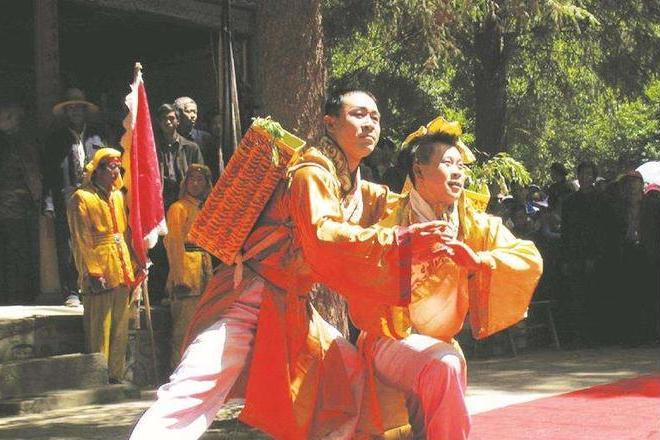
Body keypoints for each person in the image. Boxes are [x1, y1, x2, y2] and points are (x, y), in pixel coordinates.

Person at [129, 89, 449, 439]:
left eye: (375, 117)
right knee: (194, 389)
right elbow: (324, 236)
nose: (369, 123)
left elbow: (399, 209)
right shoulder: (311, 172)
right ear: (330, 122)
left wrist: (440, 179)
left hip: (292, 303)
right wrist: (402, 240)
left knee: (349, 373)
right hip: (250, 294)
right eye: (358, 114)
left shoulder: (357, 186)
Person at [348, 117, 543, 438]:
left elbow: (527, 257)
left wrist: (479, 259)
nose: (459, 172)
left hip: (439, 344)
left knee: (444, 370)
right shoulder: (392, 224)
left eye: (460, 165)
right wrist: (404, 250)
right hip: (389, 339)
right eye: (447, 163)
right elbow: (358, 270)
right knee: (445, 365)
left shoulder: (473, 224)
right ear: (419, 172)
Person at [67, 148, 136, 383]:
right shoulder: (81, 198)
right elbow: (81, 239)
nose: (115, 170)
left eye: (118, 166)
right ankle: (98, 378)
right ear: (96, 171)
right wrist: (93, 271)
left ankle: (115, 375)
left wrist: (134, 262)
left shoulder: (117, 196)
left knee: (120, 327)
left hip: (121, 264)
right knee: (100, 327)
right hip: (99, 265)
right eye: (110, 166)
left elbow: (123, 233)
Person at [43, 88, 106, 307]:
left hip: (95, 197)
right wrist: (48, 202)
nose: (75, 112)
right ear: (67, 113)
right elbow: (49, 174)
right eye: (71, 109)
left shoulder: (98, 136)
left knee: (95, 241)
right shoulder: (56, 139)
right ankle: (72, 291)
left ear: (85, 110)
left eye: (79, 107)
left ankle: (94, 285)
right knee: (68, 245)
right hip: (67, 198)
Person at [151, 103, 205, 304]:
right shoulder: (153, 148)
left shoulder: (190, 147)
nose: (168, 122)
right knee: (161, 248)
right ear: (159, 122)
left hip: (184, 203)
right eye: (164, 119)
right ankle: (162, 291)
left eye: (172, 118)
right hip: (161, 203)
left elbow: (200, 174)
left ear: (177, 120)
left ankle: (184, 286)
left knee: (184, 246)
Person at [164, 164, 213, 369]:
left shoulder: (206, 208)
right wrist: (179, 277)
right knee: (183, 330)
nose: (195, 183)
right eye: (191, 179)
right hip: (186, 273)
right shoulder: (178, 208)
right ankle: (178, 370)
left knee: (203, 327)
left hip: (204, 271)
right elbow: (173, 242)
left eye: (200, 180)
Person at [0, 100, 41, 304]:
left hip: (18, 208)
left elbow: (31, 173)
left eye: (10, 116)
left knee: (19, 253)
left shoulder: (23, 142)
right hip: (7, 206)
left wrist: (36, 199)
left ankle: (19, 295)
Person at [173, 97, 223, 181]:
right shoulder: (172, 138)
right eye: (188, 111)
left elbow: (213, 167)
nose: (193, 116)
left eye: (195, 112)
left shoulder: (205, 138)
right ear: (178, 114)